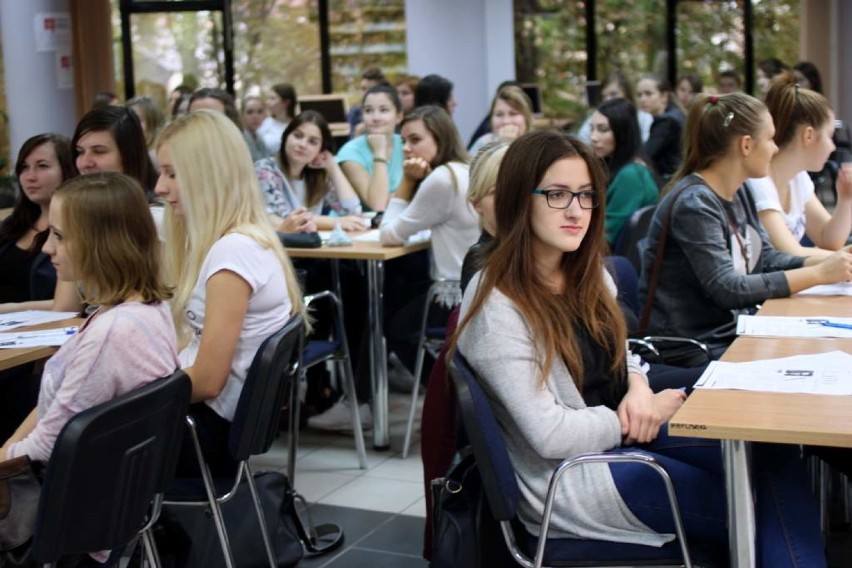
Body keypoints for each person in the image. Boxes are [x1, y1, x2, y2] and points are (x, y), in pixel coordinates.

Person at [452, 129, 827, 568]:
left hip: (621, 440)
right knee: (755, 502)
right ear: (520, 198)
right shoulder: (497, 302)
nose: (575, 211)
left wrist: (637, 389)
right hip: (579, 477)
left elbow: (624, 352)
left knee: (766, 448)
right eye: (556, 195)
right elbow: (550, 434)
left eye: (586, 195)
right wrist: (630, 420)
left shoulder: (582, 271)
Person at [638, 93, 852, 367]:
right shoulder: (694, 203)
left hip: (724, 339)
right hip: (689, 350)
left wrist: (830, 261)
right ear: (747, 145)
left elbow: (765, 260)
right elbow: (727, 288)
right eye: (771, 139)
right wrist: (819, 273)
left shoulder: (738, 192)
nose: (776, 149)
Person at [155, 110, 306, 477]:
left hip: (204, 428)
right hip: (209, 420)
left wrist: (132, 394)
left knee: (73, 428)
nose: (160, 187)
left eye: (173, 174)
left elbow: (207, 380)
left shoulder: (232, 252)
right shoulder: (240, 239)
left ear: (208, 177)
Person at [0, 171, 178, 474]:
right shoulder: (145, 307)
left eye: (59, 236)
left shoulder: (111, 333)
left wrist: (6, 455)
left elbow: (45, 445)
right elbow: (53, 414)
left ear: (101, 242)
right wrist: (6, 449)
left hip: (74, 495)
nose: (47, 249)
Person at [0, 134, 81, 441]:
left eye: (42, 166)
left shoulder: (70, 232)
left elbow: (68, 305)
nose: (29, 176)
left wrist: (9, 310)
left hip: (33, 348)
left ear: (65, 170)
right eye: (24, 167)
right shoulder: (11, 226)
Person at [748, 72, 851, 259]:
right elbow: (789, 253)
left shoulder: (797, 177)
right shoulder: (759, 181)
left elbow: (829, 240)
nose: (833, 146)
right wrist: (842, 257)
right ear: (808, 136)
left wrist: (846, 199)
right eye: (829, 136)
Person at [380, 105, 476, 281]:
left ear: (440, 139)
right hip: (476, 285)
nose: (406, 148)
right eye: (403, 141)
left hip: (454, 294)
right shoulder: (466, 168)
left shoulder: (443, 178)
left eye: (415, 140)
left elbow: (388, 235)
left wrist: (407, 181)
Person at [255, 110, 364, 232]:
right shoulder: (265, 169)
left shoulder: (318, 176)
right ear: (286, 136)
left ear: (320, 150)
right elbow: (286, 220)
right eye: (297, 136)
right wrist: (335, 222)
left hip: (308, 249)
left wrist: (333, 166)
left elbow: (352, 212)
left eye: (312, 142)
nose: (302, 144)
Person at [588, 98, 659, 246]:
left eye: (603, 130)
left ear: (622, 132)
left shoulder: (632, 175)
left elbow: (607, 235)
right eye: (592, 128)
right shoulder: (621, 166)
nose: (593, 137)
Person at [337, 84, 404, 211]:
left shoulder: (407, 144)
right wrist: (379, 152)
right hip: (358, 226)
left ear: (399, 116)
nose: (376, 118)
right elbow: (378, 205)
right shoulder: (350, 152)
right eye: (368, 111)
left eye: (384, 110)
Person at [72, 105, 159, 200]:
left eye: (99, 151)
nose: (84, 163)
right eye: (80, 152)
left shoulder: (156, 212)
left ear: (129, 155)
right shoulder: (74, 207)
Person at [577, 71, 653, 144]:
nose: (608, 100)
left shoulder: (643, 118)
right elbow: (582, 141)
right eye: (604, 96)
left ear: (626, 94)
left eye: (613, 94)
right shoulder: (595, 118)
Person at [636, 74, 685, 182]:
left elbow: (646, 154)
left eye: (648, 94)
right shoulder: (674, 114)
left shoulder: (667, 122)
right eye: (639, 95)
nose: (643, 99)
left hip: (670, 181)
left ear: (664, 96)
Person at [468, 86, 533, 155]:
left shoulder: (536, 146)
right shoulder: (483, 144)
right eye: (499, 114)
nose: (506, 121)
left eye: (513, 114)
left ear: (526, 118)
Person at [347, 66, 388, 138]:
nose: (366, 93)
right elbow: (352, 145)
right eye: (363, 89)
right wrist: (358, 132)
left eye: (372, 89)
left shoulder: (390, 111)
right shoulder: (355, 112)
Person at [258, 83, 297, 154]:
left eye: (272, 99)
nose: (267, 102)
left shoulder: (297, 126)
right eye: (268, 98)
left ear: (286, 102)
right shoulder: (266, 123)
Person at [241, 95, 271, 162]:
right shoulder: (240, 139)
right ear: (242, 115)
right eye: (250, 112)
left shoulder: (258, 137)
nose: (255, 116)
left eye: (260, 112)